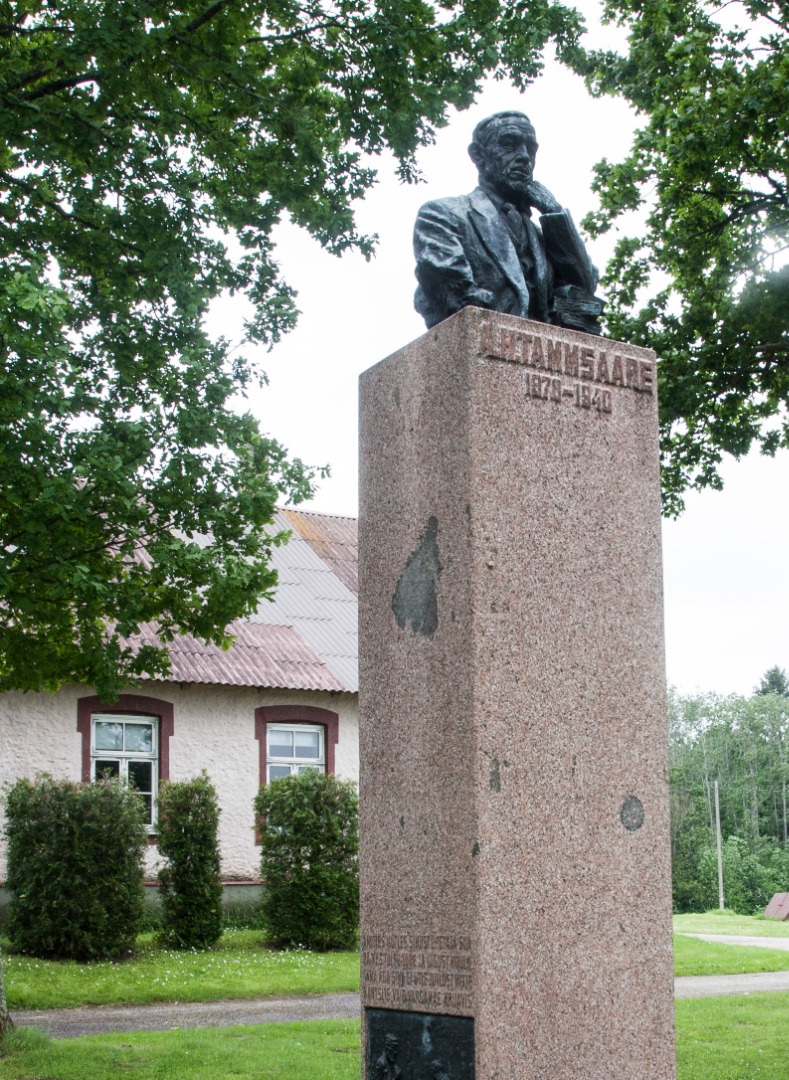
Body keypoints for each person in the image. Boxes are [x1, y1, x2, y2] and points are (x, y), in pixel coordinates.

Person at [413, 111, 604, 335]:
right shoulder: (443, 215)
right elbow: (461, 299)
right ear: (478, 155)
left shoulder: (542, 237)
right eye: (509, 145)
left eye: (530, 148)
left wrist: (554, 214)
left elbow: (585, 286)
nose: (524, 156)